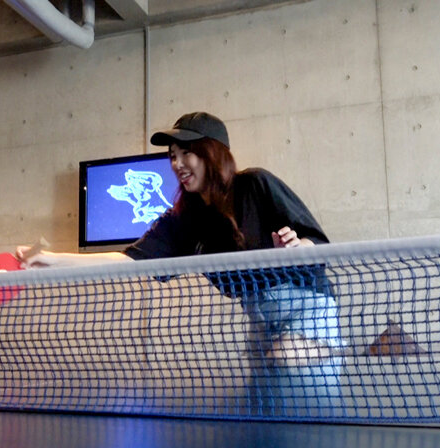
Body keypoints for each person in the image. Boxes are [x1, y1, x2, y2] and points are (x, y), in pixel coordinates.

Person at [17, 112, 342, 414]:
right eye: (172, 155)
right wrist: (51, 260)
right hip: (259, 317)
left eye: (187, 153)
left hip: (306, 305)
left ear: (213, 153)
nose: (177, 163)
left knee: (292, 374)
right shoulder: (183, 221)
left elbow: (316, 240)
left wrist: (296, 248)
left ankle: (333, 347)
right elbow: (127, 260)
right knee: (267, 407)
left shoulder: (255, 184)